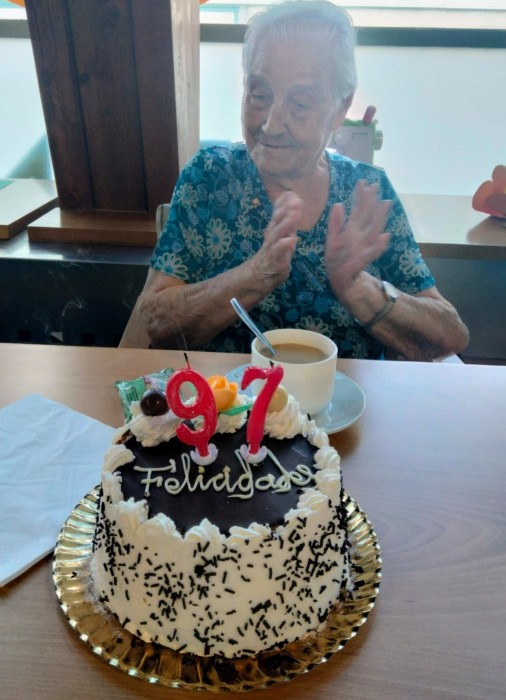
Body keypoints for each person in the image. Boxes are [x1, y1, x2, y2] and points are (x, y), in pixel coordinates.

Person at [140, 0, 469, 361]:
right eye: (259, 95)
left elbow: (449, 335)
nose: (270, 124)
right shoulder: (209, 176)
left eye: (299, 103)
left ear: (340, 108)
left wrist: (360, 289)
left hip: (345, 397)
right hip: (230, 396)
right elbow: (156, 321)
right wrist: (257, 274)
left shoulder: (366, 191)